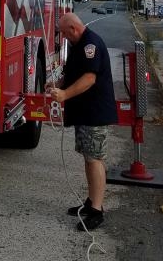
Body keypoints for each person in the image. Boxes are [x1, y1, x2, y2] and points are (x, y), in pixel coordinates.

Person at [50, 12, 118, 232]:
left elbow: (89, 78)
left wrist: (64, 95)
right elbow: (73, 73)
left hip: (94, 112)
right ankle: (90, 202)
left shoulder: (91, 45)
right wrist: (57, 84)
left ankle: (97, 211)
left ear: (73, 29)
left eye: (63, 32)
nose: (62, 37)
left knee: (95, 159)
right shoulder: (78, 44)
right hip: (84, 113)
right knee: (88, 158)